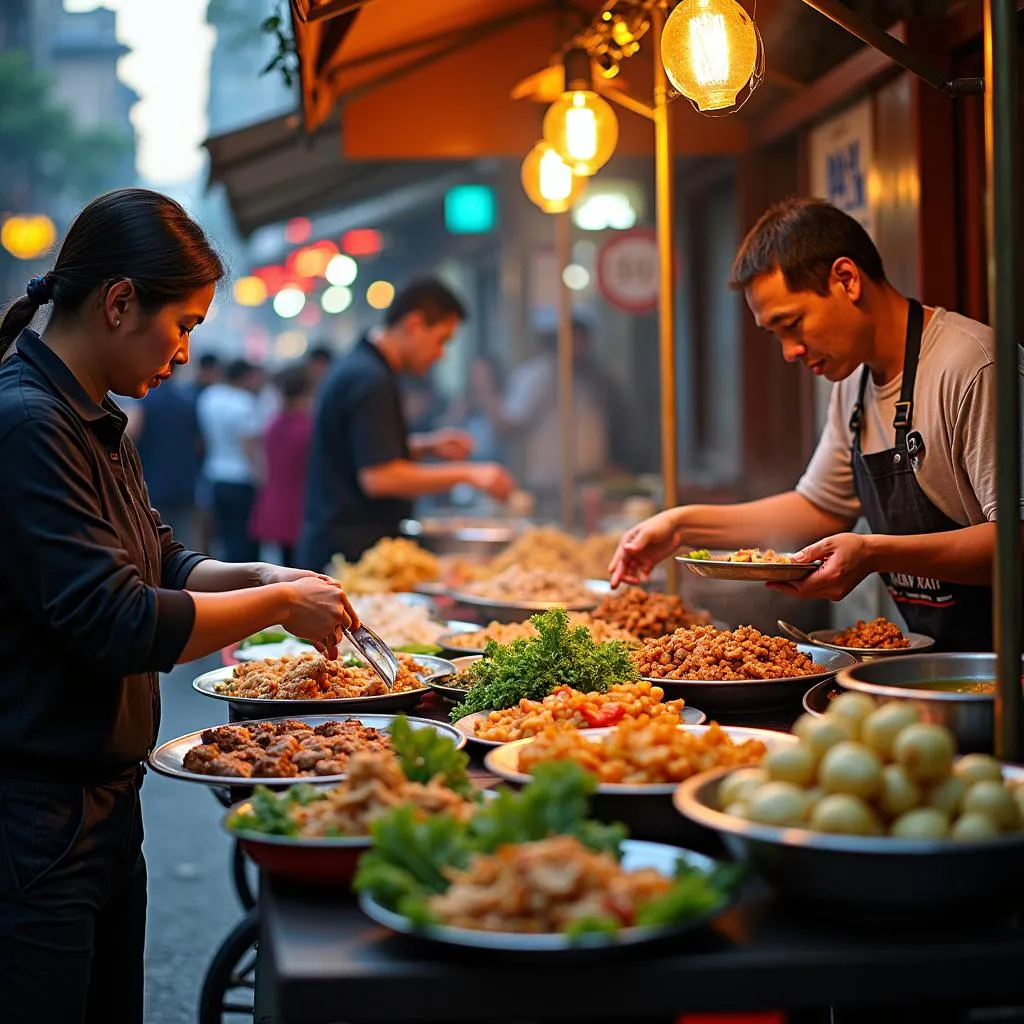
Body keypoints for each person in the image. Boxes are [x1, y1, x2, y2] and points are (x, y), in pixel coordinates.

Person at [0, 187, 356, 1023]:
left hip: (103, 805)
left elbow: (163, 557)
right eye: (185, 324)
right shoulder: (27, 425)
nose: (188, 352)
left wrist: (273, 581)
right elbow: (118, 618)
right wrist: (274, 604)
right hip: (35, 819)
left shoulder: (91, 414)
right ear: (120, 302)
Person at [610, 197, 1024, 652]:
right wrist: (681, 526)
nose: (790, 351)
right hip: (941, 661)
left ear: (846, 279)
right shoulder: (855, 383)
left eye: (793, 324)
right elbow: (820, 507)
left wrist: (873, 553)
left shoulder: (973, 366)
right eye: (776, 335)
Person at [297, 278, 516, 569]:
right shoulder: (369, 378)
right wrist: (470, 473)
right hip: (346, 558)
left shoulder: (364, 366)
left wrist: (426, 446)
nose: (441, 353)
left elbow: (360, 450)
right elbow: (379, 477)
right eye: (441, 340)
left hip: (344, 549)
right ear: (413, 324)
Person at [491, 319, 624, 519]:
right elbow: (509, 424)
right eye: (576, 340)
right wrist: (487, 394)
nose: (581, 347)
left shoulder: (588, 376)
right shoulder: (537, 374)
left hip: (588, 483)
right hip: (549, 489)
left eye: (584, 341)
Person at [118, 375, 203, 548]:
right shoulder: (188, 400)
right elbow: (199, 443)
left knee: (153, 541)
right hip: (185, 482)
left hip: (151, 481)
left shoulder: (141, 402)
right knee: (184, 542)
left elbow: (130, 437)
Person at [196, 357, 264, 562]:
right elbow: (249, 447)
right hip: (242, 478)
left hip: (215, 474)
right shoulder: (245, 403)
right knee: (244, 538)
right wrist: (261, 477)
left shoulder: (209, 397)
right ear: (245, 378)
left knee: (224, 536)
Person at [250, 362, 315, 565]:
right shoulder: (307, 429)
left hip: (276, 501)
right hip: (302, 507)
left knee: (285, 564)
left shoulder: (274, 423)